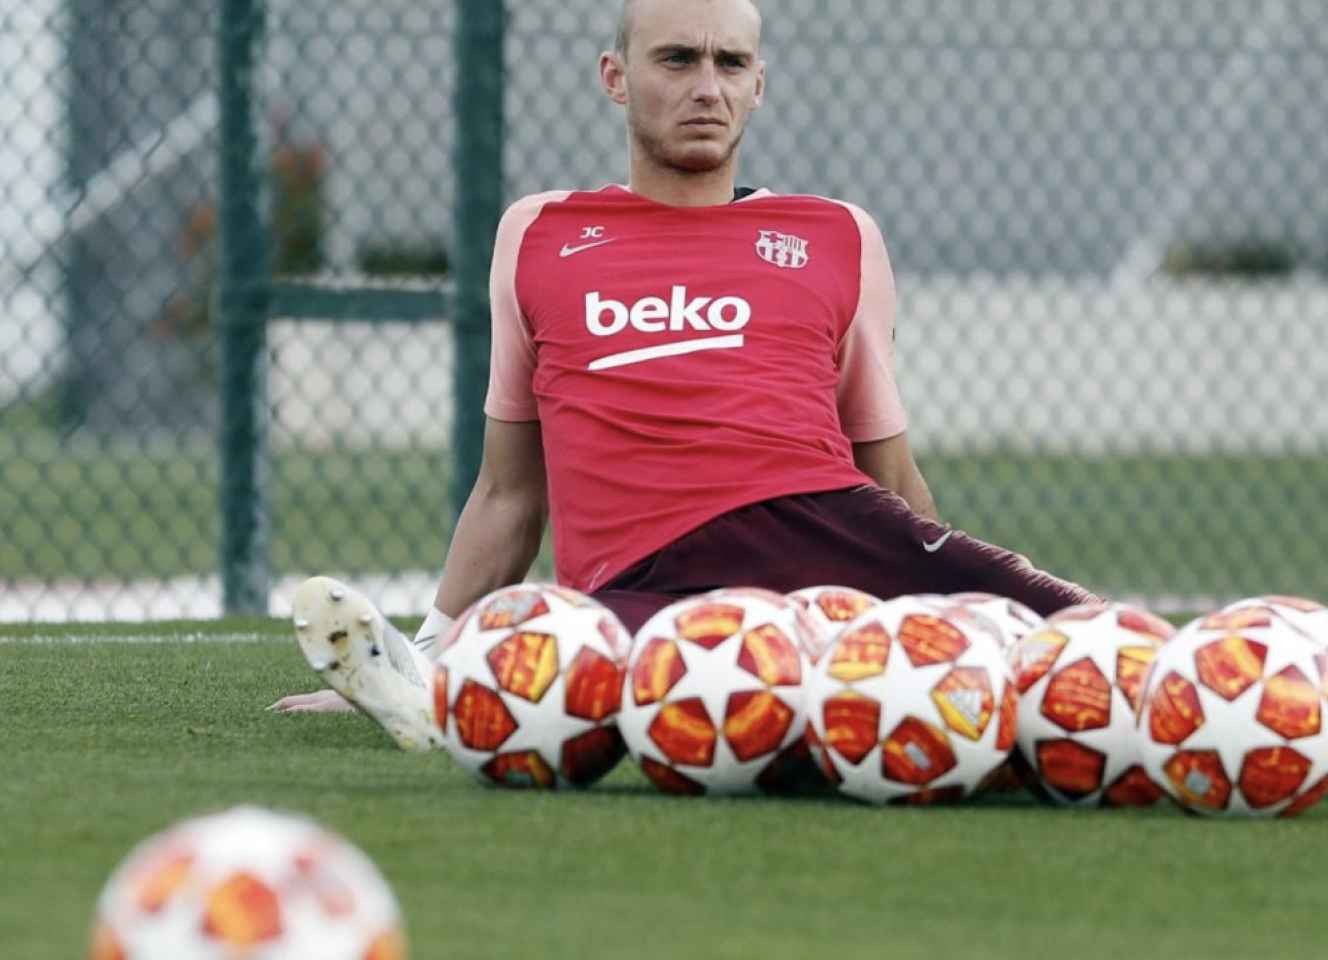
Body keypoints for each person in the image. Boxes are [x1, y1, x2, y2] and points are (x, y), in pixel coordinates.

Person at [270, 0, 1099, 749]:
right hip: (640, 586)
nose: (708, 87)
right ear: (616, 77)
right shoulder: (540, 234)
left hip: (824, 531)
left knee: (1091, 639)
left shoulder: (838, 236)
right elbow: (509, 493)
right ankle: (432, 688)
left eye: (730, 64)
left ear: (759, 84)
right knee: (540, 660)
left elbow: (887, 472)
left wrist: (943, 585)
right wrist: (425, 654)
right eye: (676, 60)